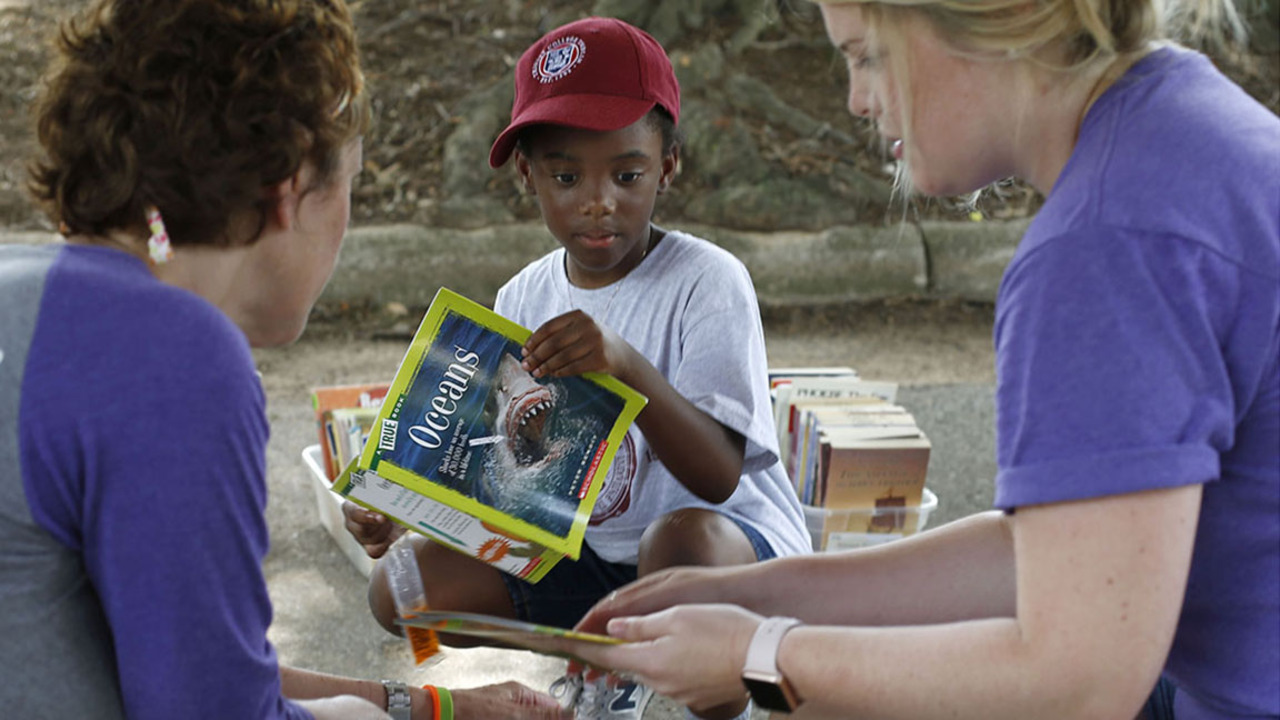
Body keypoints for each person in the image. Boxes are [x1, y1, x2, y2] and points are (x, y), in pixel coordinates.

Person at [561, 1, 1280, 719]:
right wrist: (755, 595)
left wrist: (759, 655)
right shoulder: (1181, 125)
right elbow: (1055, 557)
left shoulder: (1102, 248)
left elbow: (1078, 683)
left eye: (865, 55)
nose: (856, 99)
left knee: (820, 696)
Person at [0, 1, 570, 719]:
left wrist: (430, 708)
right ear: (291, 190)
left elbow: (200, 666)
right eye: (350, 183)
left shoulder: (28, 293)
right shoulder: (177, 357)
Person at [342, 16, 812, 720]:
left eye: (627, 174)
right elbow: (502, 482)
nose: (598, 201)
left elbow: (715, 477)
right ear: (527, 174)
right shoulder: (525, 295)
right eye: (566, 176)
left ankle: (719, 702)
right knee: (400, 587)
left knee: (676, 537)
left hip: (722, 551)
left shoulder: (708, 282)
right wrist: (404, 509)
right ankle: (607, 662)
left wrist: (624, 363)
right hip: (589, 556)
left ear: (669, 165)